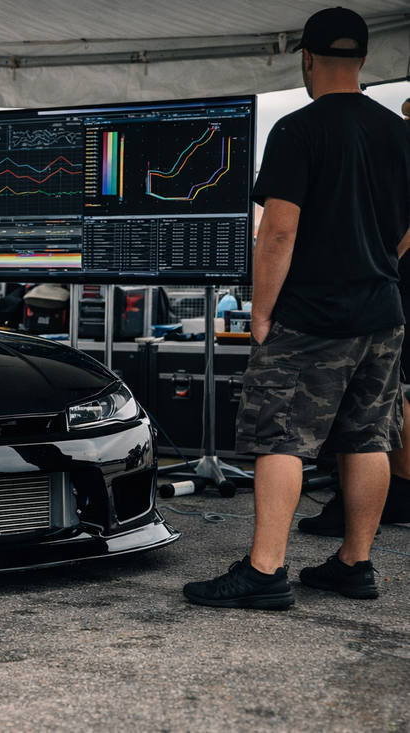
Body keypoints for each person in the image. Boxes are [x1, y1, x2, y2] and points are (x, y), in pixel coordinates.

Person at [183, 6, 410, 609]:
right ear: (363, 60)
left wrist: (260, 315)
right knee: (367, 439)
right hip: (383, 314)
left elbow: (278, 231)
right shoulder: (400, 133)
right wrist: (381, 257)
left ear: (306, 57)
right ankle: (355, 564)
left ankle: (264, 572)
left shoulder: (298, 129)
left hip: (311, 316)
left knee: (280, 436)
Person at [297, 106, 410, 535]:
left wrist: (378, 264)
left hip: (373, 286)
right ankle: (374, 519)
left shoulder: (388, 135)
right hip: (386, 285)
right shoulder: (395, 136)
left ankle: (392, 493)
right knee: (381, 404)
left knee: (378, 406)